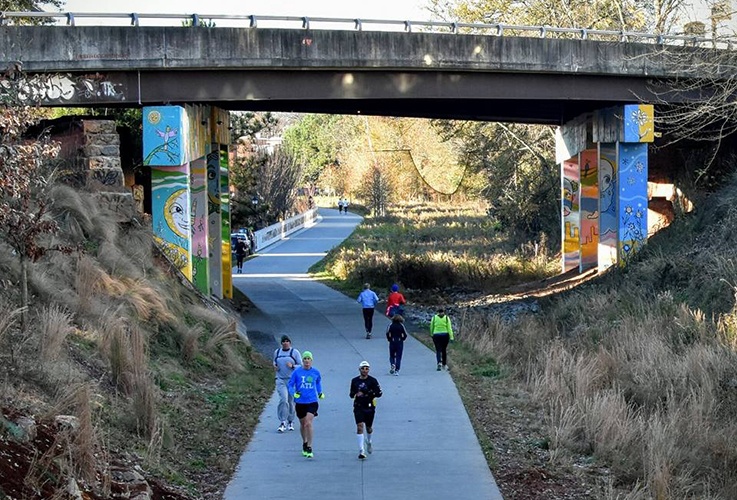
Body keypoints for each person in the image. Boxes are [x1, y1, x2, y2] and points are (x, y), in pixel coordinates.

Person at [288, 350, 324, 458]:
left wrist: (320, 392)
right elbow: (290, 385)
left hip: (312, 401)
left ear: (311, 361)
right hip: (300, 402)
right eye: (305, 359)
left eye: (308, 359)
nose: (307, 361)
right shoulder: (297, 372)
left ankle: (309, 445)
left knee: (308, 423)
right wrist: (294, 394)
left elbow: (318, 383)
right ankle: (304, 442)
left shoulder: (316, 372)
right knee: (303, 424)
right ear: (302, 361)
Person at [349, 360, 382, 460]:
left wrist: (367, 392)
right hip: (358, 406)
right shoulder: (354, 381)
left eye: (367, 369)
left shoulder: (373, 381)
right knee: (359, 426)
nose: (365, 370)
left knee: (368, 428)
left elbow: (379, 393)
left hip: (369, 407)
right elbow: (351, 394)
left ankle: (369, 441)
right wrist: (356, 393)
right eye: (363, 368)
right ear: (359, 369)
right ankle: (361, 450)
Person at [273, 335, 301, 433]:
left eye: (287, 341)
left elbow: (300, 366)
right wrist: (275, 367)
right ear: (281, 343)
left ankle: (290, 421)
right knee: (283, 399)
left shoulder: (294, 352)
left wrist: (292, 366)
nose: (285, 343)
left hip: (291, 381)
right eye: (283, 342)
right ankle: (282, 421)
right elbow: (274, 362)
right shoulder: (277, 352)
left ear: (290, 342)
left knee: (291, 401)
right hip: (280, 379)